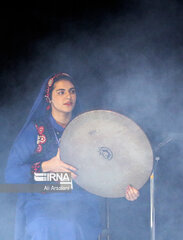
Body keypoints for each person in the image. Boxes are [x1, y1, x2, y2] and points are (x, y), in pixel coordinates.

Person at [5, 73, 140, 240]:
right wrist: (47, 166)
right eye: (61, 92)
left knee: (73, 225)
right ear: (49, 98)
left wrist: (124, 188)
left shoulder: (89, 129)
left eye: (72, 91)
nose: (68, 96)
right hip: (41, 201)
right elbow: (10, 176)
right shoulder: (35, 131)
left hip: (80, 202)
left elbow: (107, 165)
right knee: (43, 227)